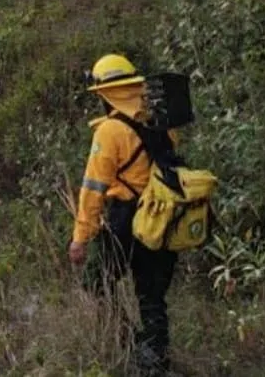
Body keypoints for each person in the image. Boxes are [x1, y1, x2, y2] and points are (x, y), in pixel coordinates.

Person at [69, 53, 179, 376]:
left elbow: (93, 189)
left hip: (126, 220)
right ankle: (155, 356)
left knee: (95, 282)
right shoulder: (160, 121)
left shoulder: (109, 132)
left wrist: (80, 238)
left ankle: (132, 345)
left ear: (106, 92)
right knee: (152, 294)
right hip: (161, 216)